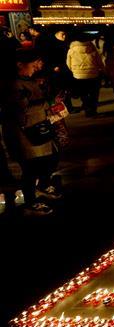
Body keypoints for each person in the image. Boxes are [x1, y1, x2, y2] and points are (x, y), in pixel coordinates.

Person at [4, 49, 61, 215]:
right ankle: (30, 201)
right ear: (20, 64)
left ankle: (42, 186)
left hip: (36, 128)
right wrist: (47, 102)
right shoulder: (13, 84)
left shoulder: (28, 80)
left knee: (48, 159)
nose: (37, 66)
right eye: (34, 63)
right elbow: (22, 108)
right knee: (30, 168)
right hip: (23, 132)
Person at [66, 32, 105, 117]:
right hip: (93, 74)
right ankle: (92, 111)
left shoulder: (71, 50)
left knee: (83, 93)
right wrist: (102, 69)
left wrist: (74, 71)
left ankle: (86, 107)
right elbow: (99, 61)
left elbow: (68, 64)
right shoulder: (92, 48)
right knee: (94, 94)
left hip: (78, 76)